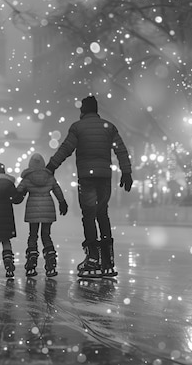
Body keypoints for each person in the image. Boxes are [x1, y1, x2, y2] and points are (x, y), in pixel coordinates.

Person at [46, 95, 133, 278]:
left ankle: (93, 259)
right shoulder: (109, 127)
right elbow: (121, 149)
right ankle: (108, 261)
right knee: (102, 213)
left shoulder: (78, 127)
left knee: (88, 215)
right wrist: (126, 172)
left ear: (83, 111)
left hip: (86, 178)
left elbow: (66, 149)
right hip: (104, 178)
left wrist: (52, 165)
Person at [15, 153, 68, 277]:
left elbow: (19, 191)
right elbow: (57, 189)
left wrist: (15, 196)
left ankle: (31, 263)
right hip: (48, 208)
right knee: (46, 235)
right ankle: (51, 263)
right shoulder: (49, 176)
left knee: (33, 235)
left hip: (32, 209)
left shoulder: (27, 178)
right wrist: (62, 202)